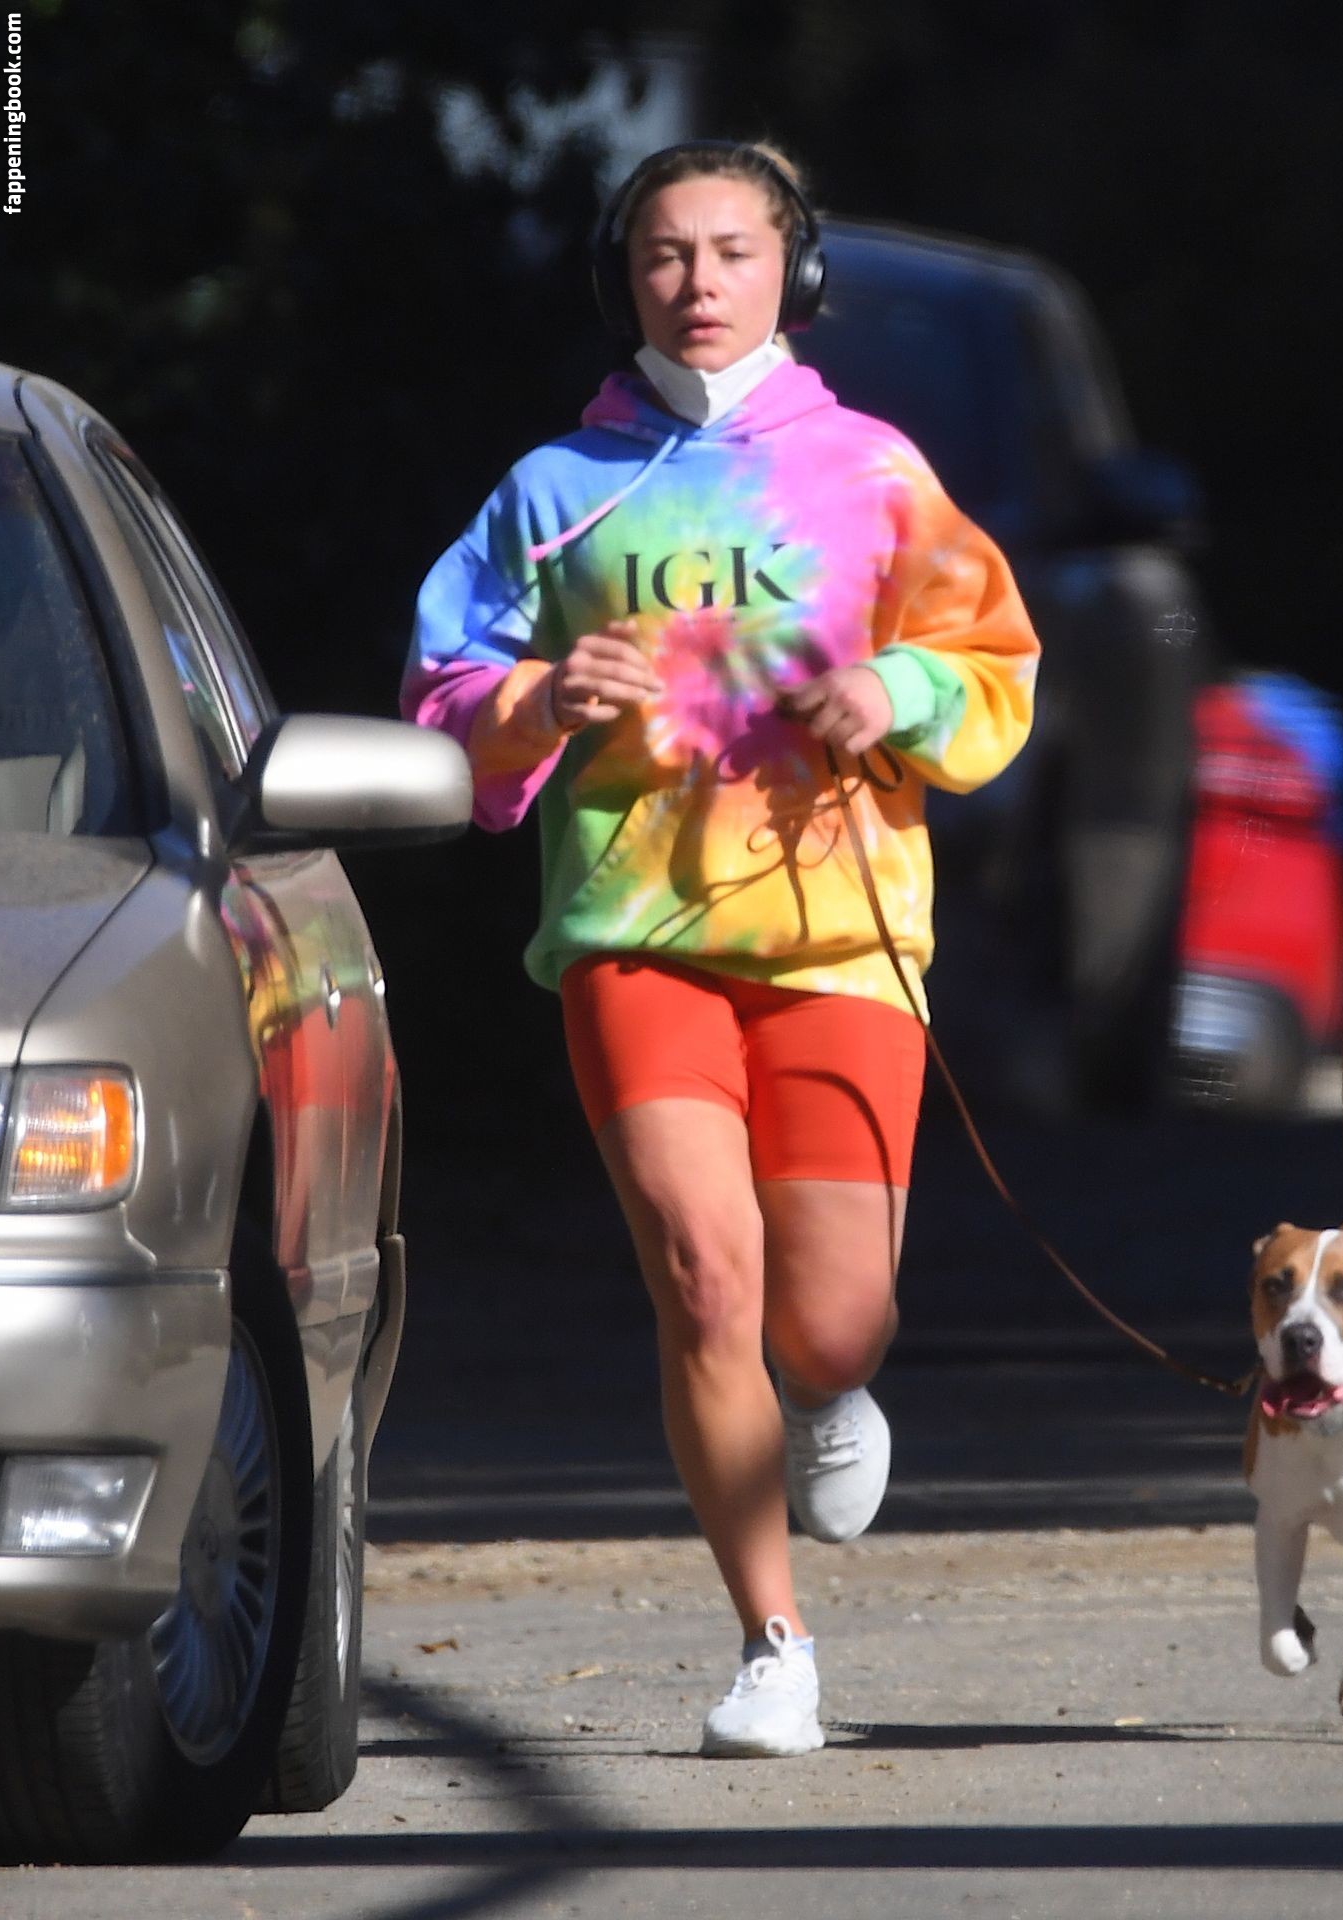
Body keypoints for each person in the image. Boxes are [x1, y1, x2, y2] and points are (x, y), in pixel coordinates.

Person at [403, 140, 1040, 1758]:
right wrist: (539, 699)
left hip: (837, 940)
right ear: (623, 279)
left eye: (733, 252)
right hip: (633, 931)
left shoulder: (875, 472)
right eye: (665, 256)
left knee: (831, 1320)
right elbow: (445, 693)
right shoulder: (554, 489)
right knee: (701, 1274)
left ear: (792, 275)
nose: (697, 284)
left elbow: (992, 660)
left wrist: (891, 689)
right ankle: (773, 1645)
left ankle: (825, 1388)